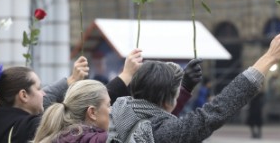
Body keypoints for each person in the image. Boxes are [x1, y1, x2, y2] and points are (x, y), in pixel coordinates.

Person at [107, 31, 280, 143]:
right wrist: (268, 57)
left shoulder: (115, 114)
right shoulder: (162, 134)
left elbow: (158, 112)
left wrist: (185, 86)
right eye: (175, 92)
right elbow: (219, 109)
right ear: (167, 101)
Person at [32, 54, 203, 142]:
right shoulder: (104, 139)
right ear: (91, 112)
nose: (114, 108)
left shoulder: (60, 136)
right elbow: (156, 123)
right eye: (108, 105)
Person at [0, 56, 89, 143]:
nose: (43, 93)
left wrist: (71, 81)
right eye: (39, 88)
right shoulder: (32, 126)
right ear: (24, 95)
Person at [33, 79, 110, 143]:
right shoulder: (102, 140)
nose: (111, 110)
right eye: (108, 105)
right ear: (92, 112)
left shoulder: (55, 138)